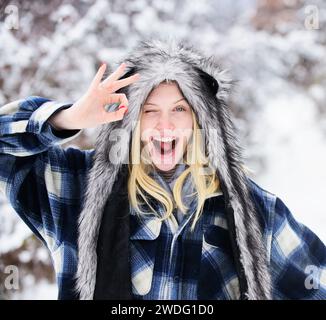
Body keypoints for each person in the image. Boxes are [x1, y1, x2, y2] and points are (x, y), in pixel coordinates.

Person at [0, 38, 325, 300]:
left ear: (201, 120)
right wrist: (70, 118)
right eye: (149, 110)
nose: (165, 125)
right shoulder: (78, 188)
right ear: (129, 121)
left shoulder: (252, 213)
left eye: (180, 109)